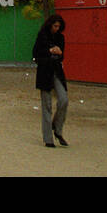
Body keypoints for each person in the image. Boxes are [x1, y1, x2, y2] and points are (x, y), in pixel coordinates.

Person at [32, 14, 68, 147]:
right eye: (55, 26)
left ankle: (57, 128)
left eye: (59, 26)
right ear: (50, 25)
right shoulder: (42, 36)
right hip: (44, 73)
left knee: (64, 100)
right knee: (46, 106)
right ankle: (48, 139)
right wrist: (50, 51)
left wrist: (59, 53)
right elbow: (35, 54)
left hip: (57, 72)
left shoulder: (60, 38)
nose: (57, 29)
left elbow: (62, 55)